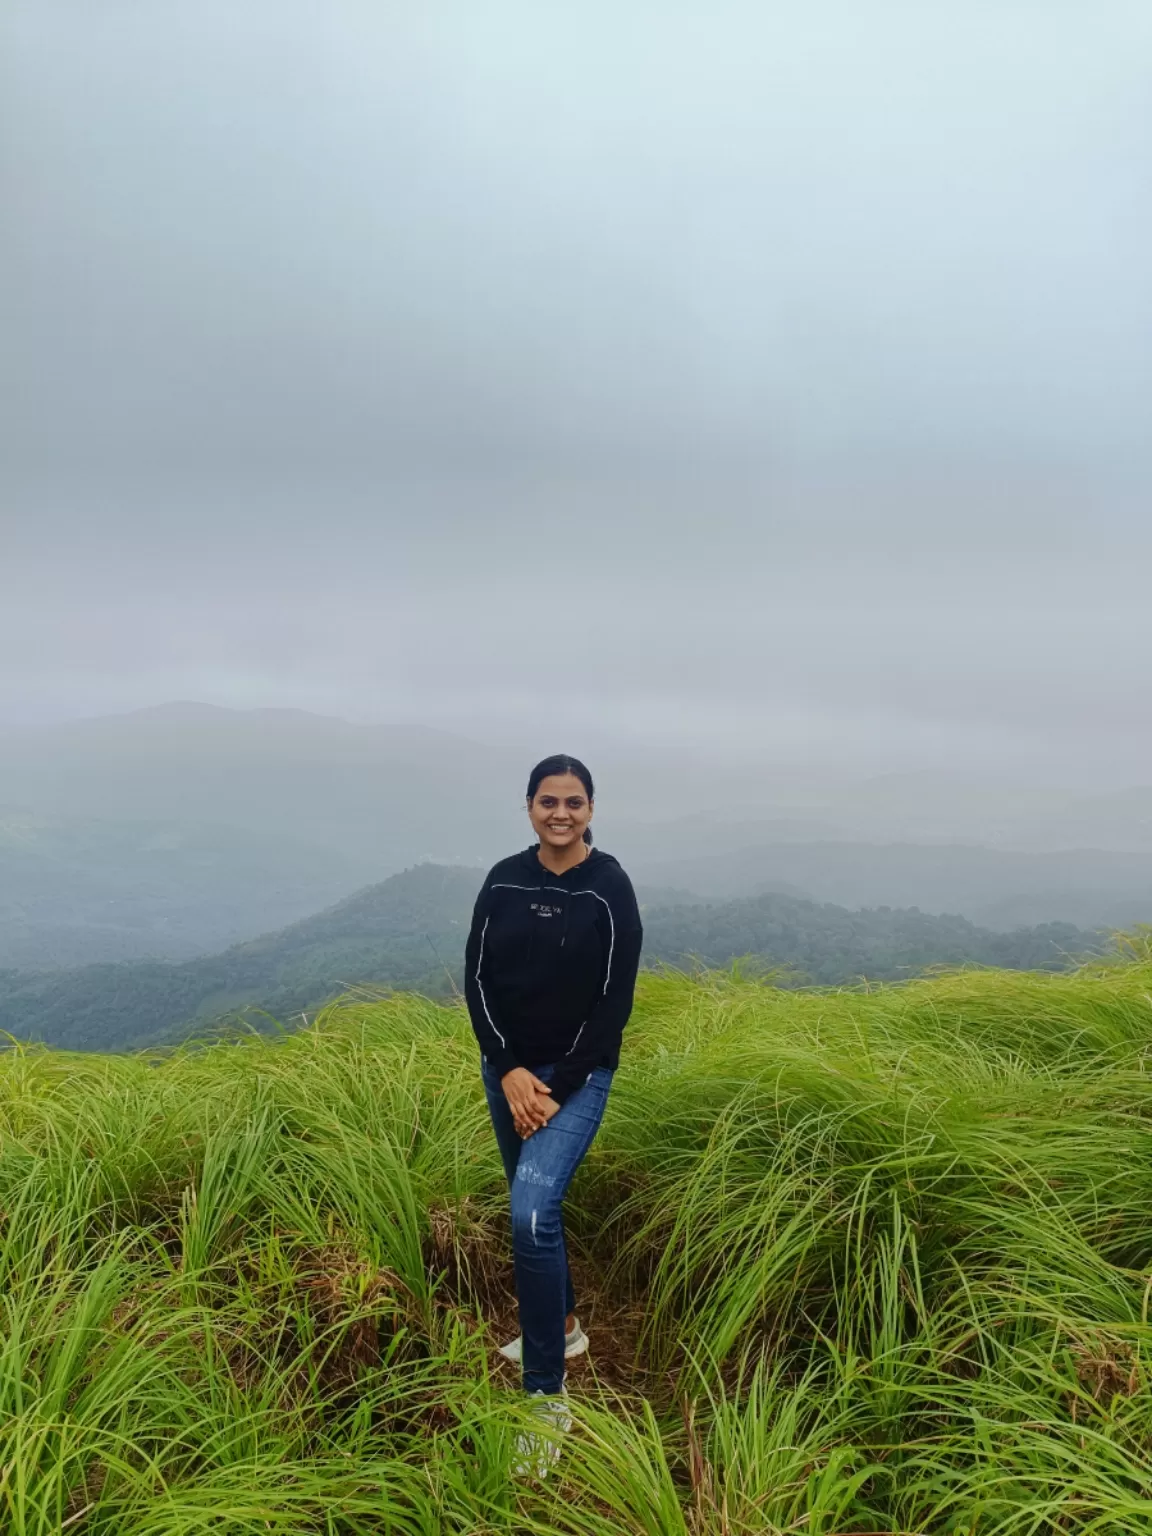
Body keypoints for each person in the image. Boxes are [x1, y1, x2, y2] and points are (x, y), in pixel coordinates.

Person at [463, 752, 643, 1473]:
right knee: (530, 1203)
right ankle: (563, 1327)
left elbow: (614, 1003)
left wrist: (554, 1086)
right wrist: (507, 1069)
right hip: (506, 1073)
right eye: (547, 801)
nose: (560, 813)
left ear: (591, 810)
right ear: (529, 807)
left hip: (577, 1076)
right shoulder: (504, 879)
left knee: (531, 1213)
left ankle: (545, 1395)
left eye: (573, 802)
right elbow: (476, 978)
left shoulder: (609, 888)